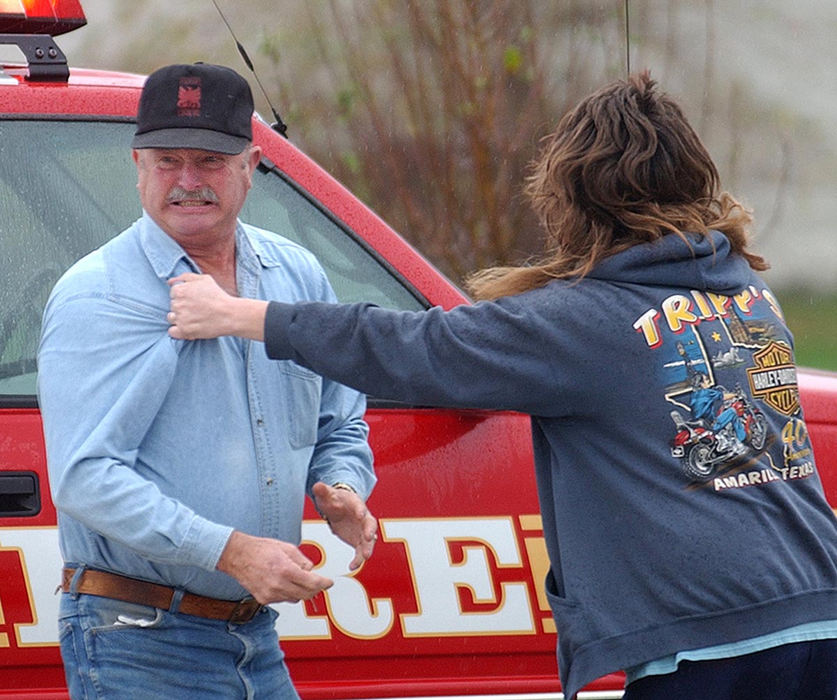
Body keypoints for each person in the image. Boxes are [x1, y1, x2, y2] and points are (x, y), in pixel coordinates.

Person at [166, 72, 837, 700]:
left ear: (570, 198)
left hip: (713, 650)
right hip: (819, 615)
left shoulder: (582, 324)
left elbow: (414, 348)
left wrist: (241, 315)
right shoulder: (745, 292)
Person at [37, 62, 377, 699]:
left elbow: (340, 417)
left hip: (256, 641)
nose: (187, 181)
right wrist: (231, 552)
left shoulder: (295, 276)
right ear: (137, 164)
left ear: (250, 166)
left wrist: (341, 485)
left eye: (210, 161)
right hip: (138, 640)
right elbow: (86, 477)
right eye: (168, 160)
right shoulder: (98, 297)